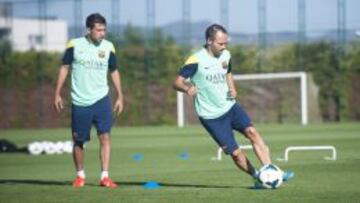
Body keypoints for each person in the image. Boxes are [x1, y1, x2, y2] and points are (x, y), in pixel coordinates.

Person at [173, 24, 293, 187]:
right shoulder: (195, 60)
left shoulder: (226, 55)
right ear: (209, 41)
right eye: (221, 44)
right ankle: (258, 176)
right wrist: (187, 88)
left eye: (226, 43)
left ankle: (271, 171)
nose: (224, 47)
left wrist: (233, 88)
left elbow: (228, 72)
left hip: (230, 107)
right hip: (211, 117)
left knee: (252, 132)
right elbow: (177, 82)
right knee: (236, 154)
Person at [54, 13, 124, 188]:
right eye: (99, 30)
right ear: (89, 29)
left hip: (102, 99)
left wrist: (120, 96)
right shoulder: (75, 45)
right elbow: (64, 68)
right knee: (79, 141)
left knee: (105, 137)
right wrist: (57, 93)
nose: (102, 33)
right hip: (80, 102)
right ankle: (80, 176)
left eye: (104, 30)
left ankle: (105, 177)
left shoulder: (109, 47)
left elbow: (114, 71)